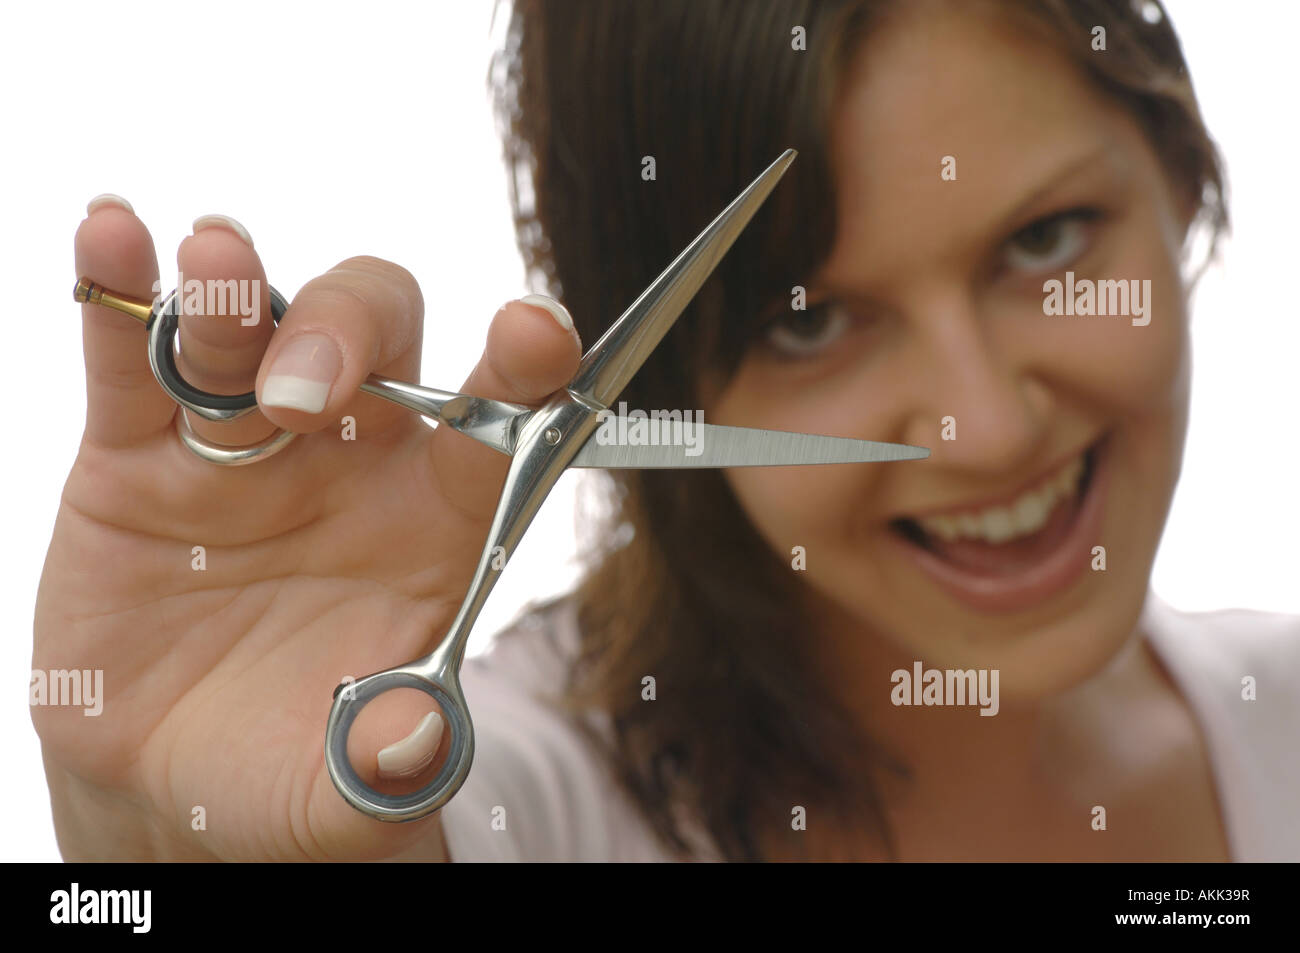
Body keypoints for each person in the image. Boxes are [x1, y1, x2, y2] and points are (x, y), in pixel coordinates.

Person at [35, 0, 1298, 862]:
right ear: (645, 380)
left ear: (1184, 168)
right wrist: (154, 836)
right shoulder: (530, 802)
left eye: (1041, 240)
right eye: (807, 322)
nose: (980, 426)